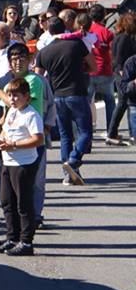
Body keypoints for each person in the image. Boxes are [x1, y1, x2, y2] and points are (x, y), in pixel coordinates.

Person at [36, 17, 96, 186]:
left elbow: (38, 77)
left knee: (65, 135)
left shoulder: (44, 51)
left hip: (57, 96)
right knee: (85, 132)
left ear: (49, 31)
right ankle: (73, 160)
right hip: (76, 92)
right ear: (66, 28)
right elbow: (94, 66)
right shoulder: (77, 45)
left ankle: (68, 174)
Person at [0, 77, 44, 257]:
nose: (13, 99)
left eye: (17, 96)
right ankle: (12, 237)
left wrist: (14, 145)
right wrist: (1, 138)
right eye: (10, 95)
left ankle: (26, 242)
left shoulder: (31, 115)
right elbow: (6, 130)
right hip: (8, 161)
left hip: (24, 163)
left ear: (27, 97)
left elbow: (38, 139)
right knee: (7, 201)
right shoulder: (12, 112)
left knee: (23, 203)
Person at [85, 4, 116, 136]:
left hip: (88, 72)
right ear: (104, 16)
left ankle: (86, 131)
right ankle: (111, 130)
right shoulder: (107, 33)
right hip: (105, 71)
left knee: (86, 103)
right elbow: (113, 53)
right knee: (109, 101)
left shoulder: (85, 31)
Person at [107, 12, 136, 144]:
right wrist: (121, 71)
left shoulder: (120, 36)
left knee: (127, 103)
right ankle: (112, 132)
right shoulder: (124, 38)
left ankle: (131, 132)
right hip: (123, 73)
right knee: (123, 103)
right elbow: (119, 58)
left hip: (122, 72)